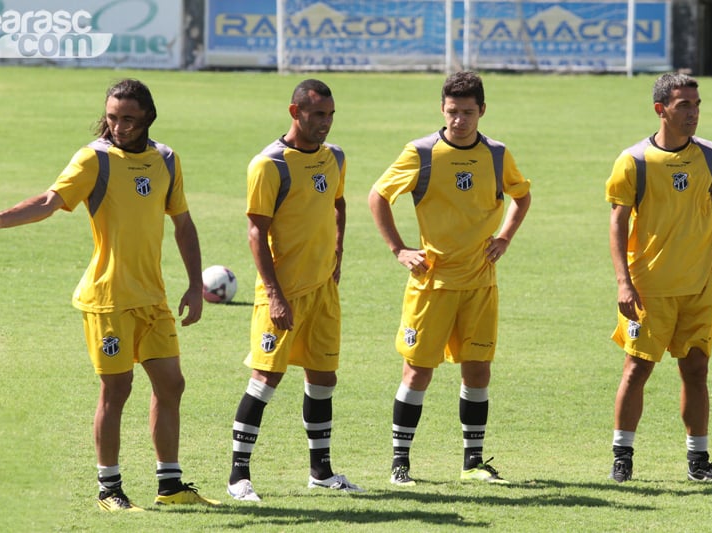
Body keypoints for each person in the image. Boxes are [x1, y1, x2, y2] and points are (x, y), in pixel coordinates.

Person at [0, 79, 220, 511]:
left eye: (129, 119)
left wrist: (194, 283)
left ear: (148, 117)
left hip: (153, 299)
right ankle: (109, 489)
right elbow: (49, 200)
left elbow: (183, 223)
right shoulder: (94, 159)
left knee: (171, 384)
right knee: (117, 391)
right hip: (108, 300)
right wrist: (2, 220)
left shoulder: (166, 159)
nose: (119, 126)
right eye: (113, 117)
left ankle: (170, 486)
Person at [368, 71, 531, 486]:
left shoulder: (496, 155)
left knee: (477, 372)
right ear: (442, 109)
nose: (460, 120)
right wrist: (399, 249)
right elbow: (378, 195)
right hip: (431, 285)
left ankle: (472, 462)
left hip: (479, 284)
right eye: (453, 112)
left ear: (482, 111)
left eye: (468, 113)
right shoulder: (422, 153)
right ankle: (400, 462)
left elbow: (522, 194)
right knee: (417, 372)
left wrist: (506, 237)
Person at [226, 79, 364, 502]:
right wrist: (275, 294)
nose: (325, 123)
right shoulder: (269, 165)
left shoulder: (335, 157)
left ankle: (321, 473)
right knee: (266, 377)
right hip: (281, 293)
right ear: (295, 112)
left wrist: (338, 254)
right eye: (317, 114)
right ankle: (238, 477)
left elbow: (338, 205)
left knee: (324, 378)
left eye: (330, 115)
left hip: (323, 291)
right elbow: (256, 231)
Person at [606, 73, 712, 484]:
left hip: (700, 286)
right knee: (637, 369)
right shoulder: (635, 161)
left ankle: (699, 462)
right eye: (684, 105)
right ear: (661, 110)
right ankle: (622, 457)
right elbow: (617, 224)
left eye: (697, 104)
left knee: (696, 371)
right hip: (652, 289)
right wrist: (623, 282)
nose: (693, 112)